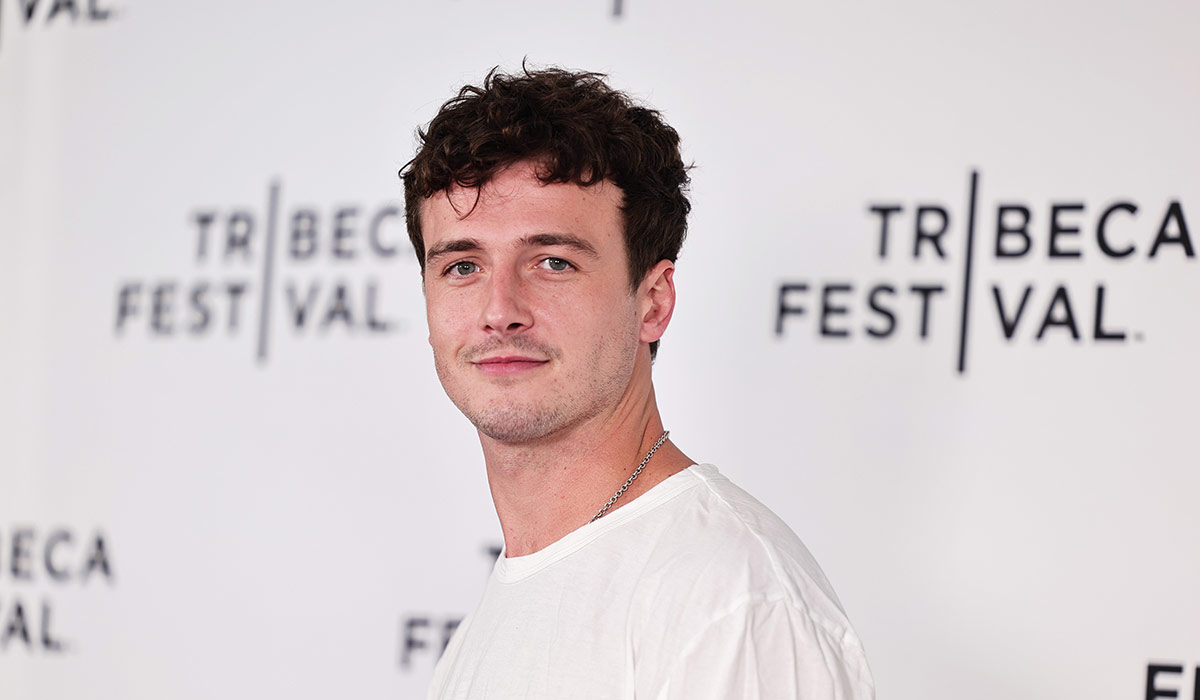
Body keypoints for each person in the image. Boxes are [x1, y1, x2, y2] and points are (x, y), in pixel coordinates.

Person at [400, 66, 874, 700]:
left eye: (553, 262)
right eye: (462, 266)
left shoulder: (729, 603)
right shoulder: (488, 622)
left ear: (653, 302)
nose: (499, 310)